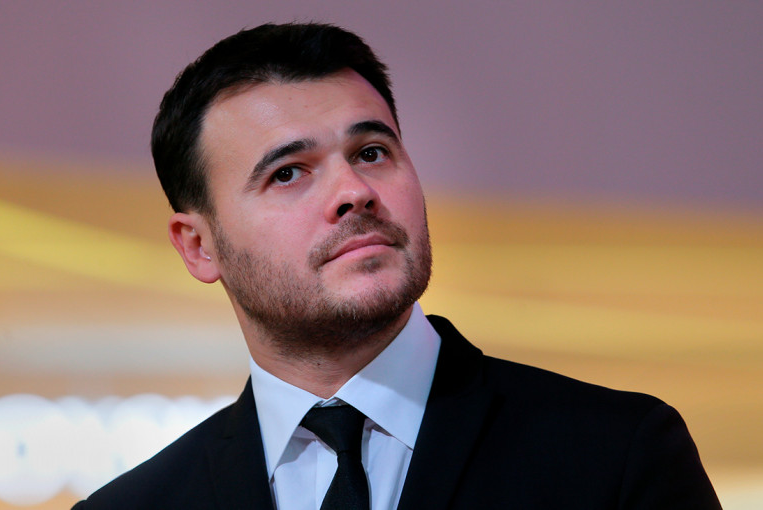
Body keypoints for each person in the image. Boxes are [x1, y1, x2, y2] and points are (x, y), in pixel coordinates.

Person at [73, 22, 721, 509]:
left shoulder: (615, 454)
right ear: (197, 246)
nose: (354, 191)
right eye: (289, 172)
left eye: (372, 152)